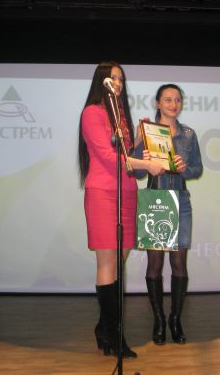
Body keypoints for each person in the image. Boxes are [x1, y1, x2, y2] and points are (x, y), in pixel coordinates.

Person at [78, 61, 165, 358]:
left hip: (127, 193)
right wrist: (145, 164)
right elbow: (107, 156)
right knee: (108, 264)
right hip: (103, 193)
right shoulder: (92, 113)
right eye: (112, 78)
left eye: (121, 79)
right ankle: (114, 334)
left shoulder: (121, 117)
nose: (117, 83)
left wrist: (139, 140)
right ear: (101, 81)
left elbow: (128, 161)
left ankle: (105, 329)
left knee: (120, 264)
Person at [134, 84, 203, 345]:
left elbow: (197, 169)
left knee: (179, 264)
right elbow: (136, 172)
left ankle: (175, 319)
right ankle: (159, 320)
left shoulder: (188, 134)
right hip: (155, 200)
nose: (174, 104)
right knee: (154, 264)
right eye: (168, 99)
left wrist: (185, 169)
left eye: (177, 100)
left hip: (181, 201)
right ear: (158, 103)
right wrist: (143, 159)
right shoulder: (147, 132)